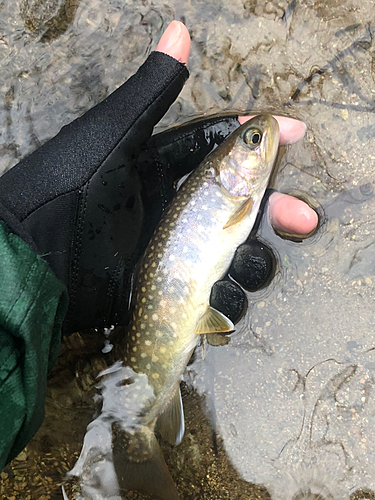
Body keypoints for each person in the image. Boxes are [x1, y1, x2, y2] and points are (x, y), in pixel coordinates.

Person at [0, 21, 318, 471]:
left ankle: (141, 434)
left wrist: (26, 252)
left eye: (252, 140)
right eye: (253, 140)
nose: (260, 140)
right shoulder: (232, 196)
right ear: (230, 171)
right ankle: (140, 442)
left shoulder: (231, 192)